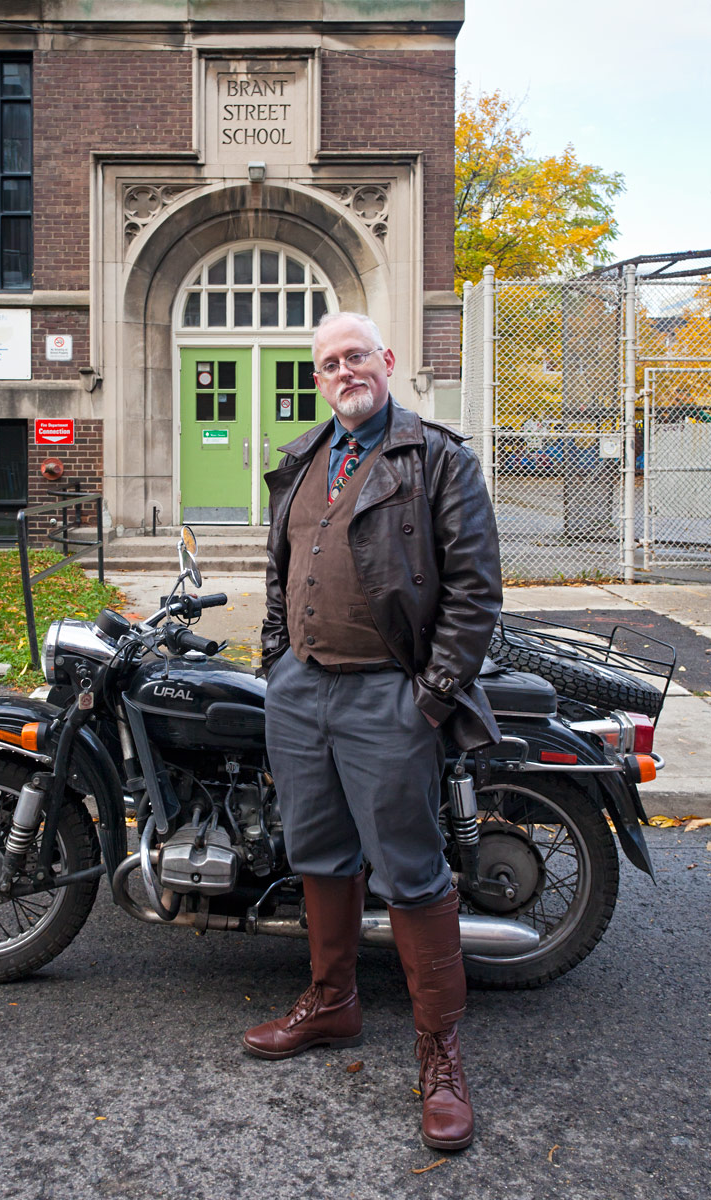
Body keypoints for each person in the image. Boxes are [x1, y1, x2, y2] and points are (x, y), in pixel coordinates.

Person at [243, 311, 502, 1152]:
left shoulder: (439, 459)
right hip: (301, 695)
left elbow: (473, 593)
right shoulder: (301, 459)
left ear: (387, 362)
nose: (343, 371)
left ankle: (440, 1054)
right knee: (317, 850)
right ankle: (334, 1003)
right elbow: (279, 569)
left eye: (356, 356)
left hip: (388, 698)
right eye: (327, 364)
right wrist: (276, 657)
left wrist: (428, 698)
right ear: (316, 380)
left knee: (412, 873)